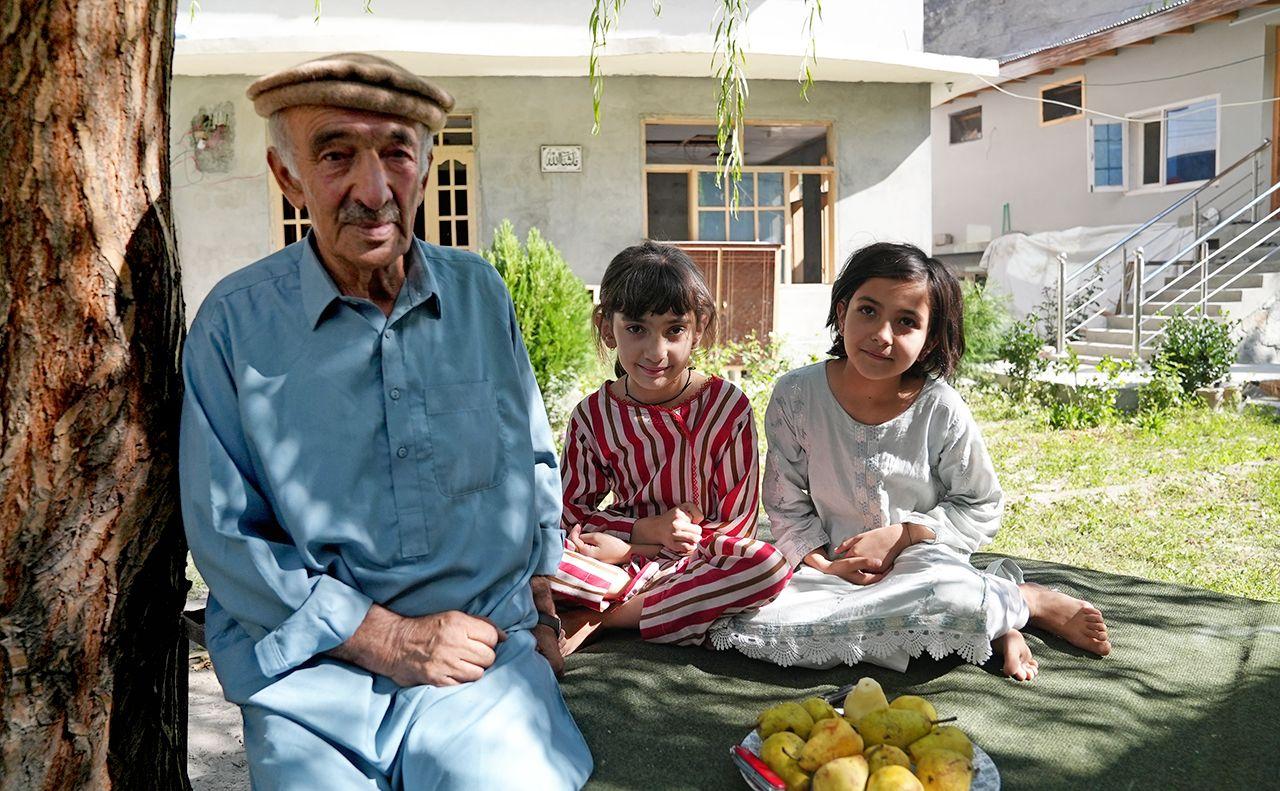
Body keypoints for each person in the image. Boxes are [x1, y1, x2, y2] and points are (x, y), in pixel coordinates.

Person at [180, 53, 591, 790]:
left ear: (425, 171)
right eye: (336, 155)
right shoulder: (234, 326)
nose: (373, 191)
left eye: (396, 153)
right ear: (287, 175)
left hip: (480, 663)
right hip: (310, 676)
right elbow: (226, 535)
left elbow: (530, 456)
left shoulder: (479, 296)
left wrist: (542, 598)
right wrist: (386, 637)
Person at [710, 242, 1111, 679]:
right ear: (842, 310)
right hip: (828, 568)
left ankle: (1021, 602)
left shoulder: (941, 408)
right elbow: (785, 499)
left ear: (931, 337)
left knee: (946, 594)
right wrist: (825, 563)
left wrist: (904, 535)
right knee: (753, 620)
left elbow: (980, 503)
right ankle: (990, 622)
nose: (882, 335)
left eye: (906, 322)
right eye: (868, 311)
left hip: (922, 564)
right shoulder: (796, 395)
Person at [547, 241, 792, 651]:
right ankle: (645, 604)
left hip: (696, 561)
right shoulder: (593, 416)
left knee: (765, 565)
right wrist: (638, 536)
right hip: (610, 561)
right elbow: (571, 516)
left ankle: (607, 617)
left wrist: (635, 550)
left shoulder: (727, 408)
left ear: (699, 329)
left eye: (674, 329)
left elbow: (733, 527)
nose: (656, 351)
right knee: (532, 552)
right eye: (636, 329)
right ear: (608, 328)